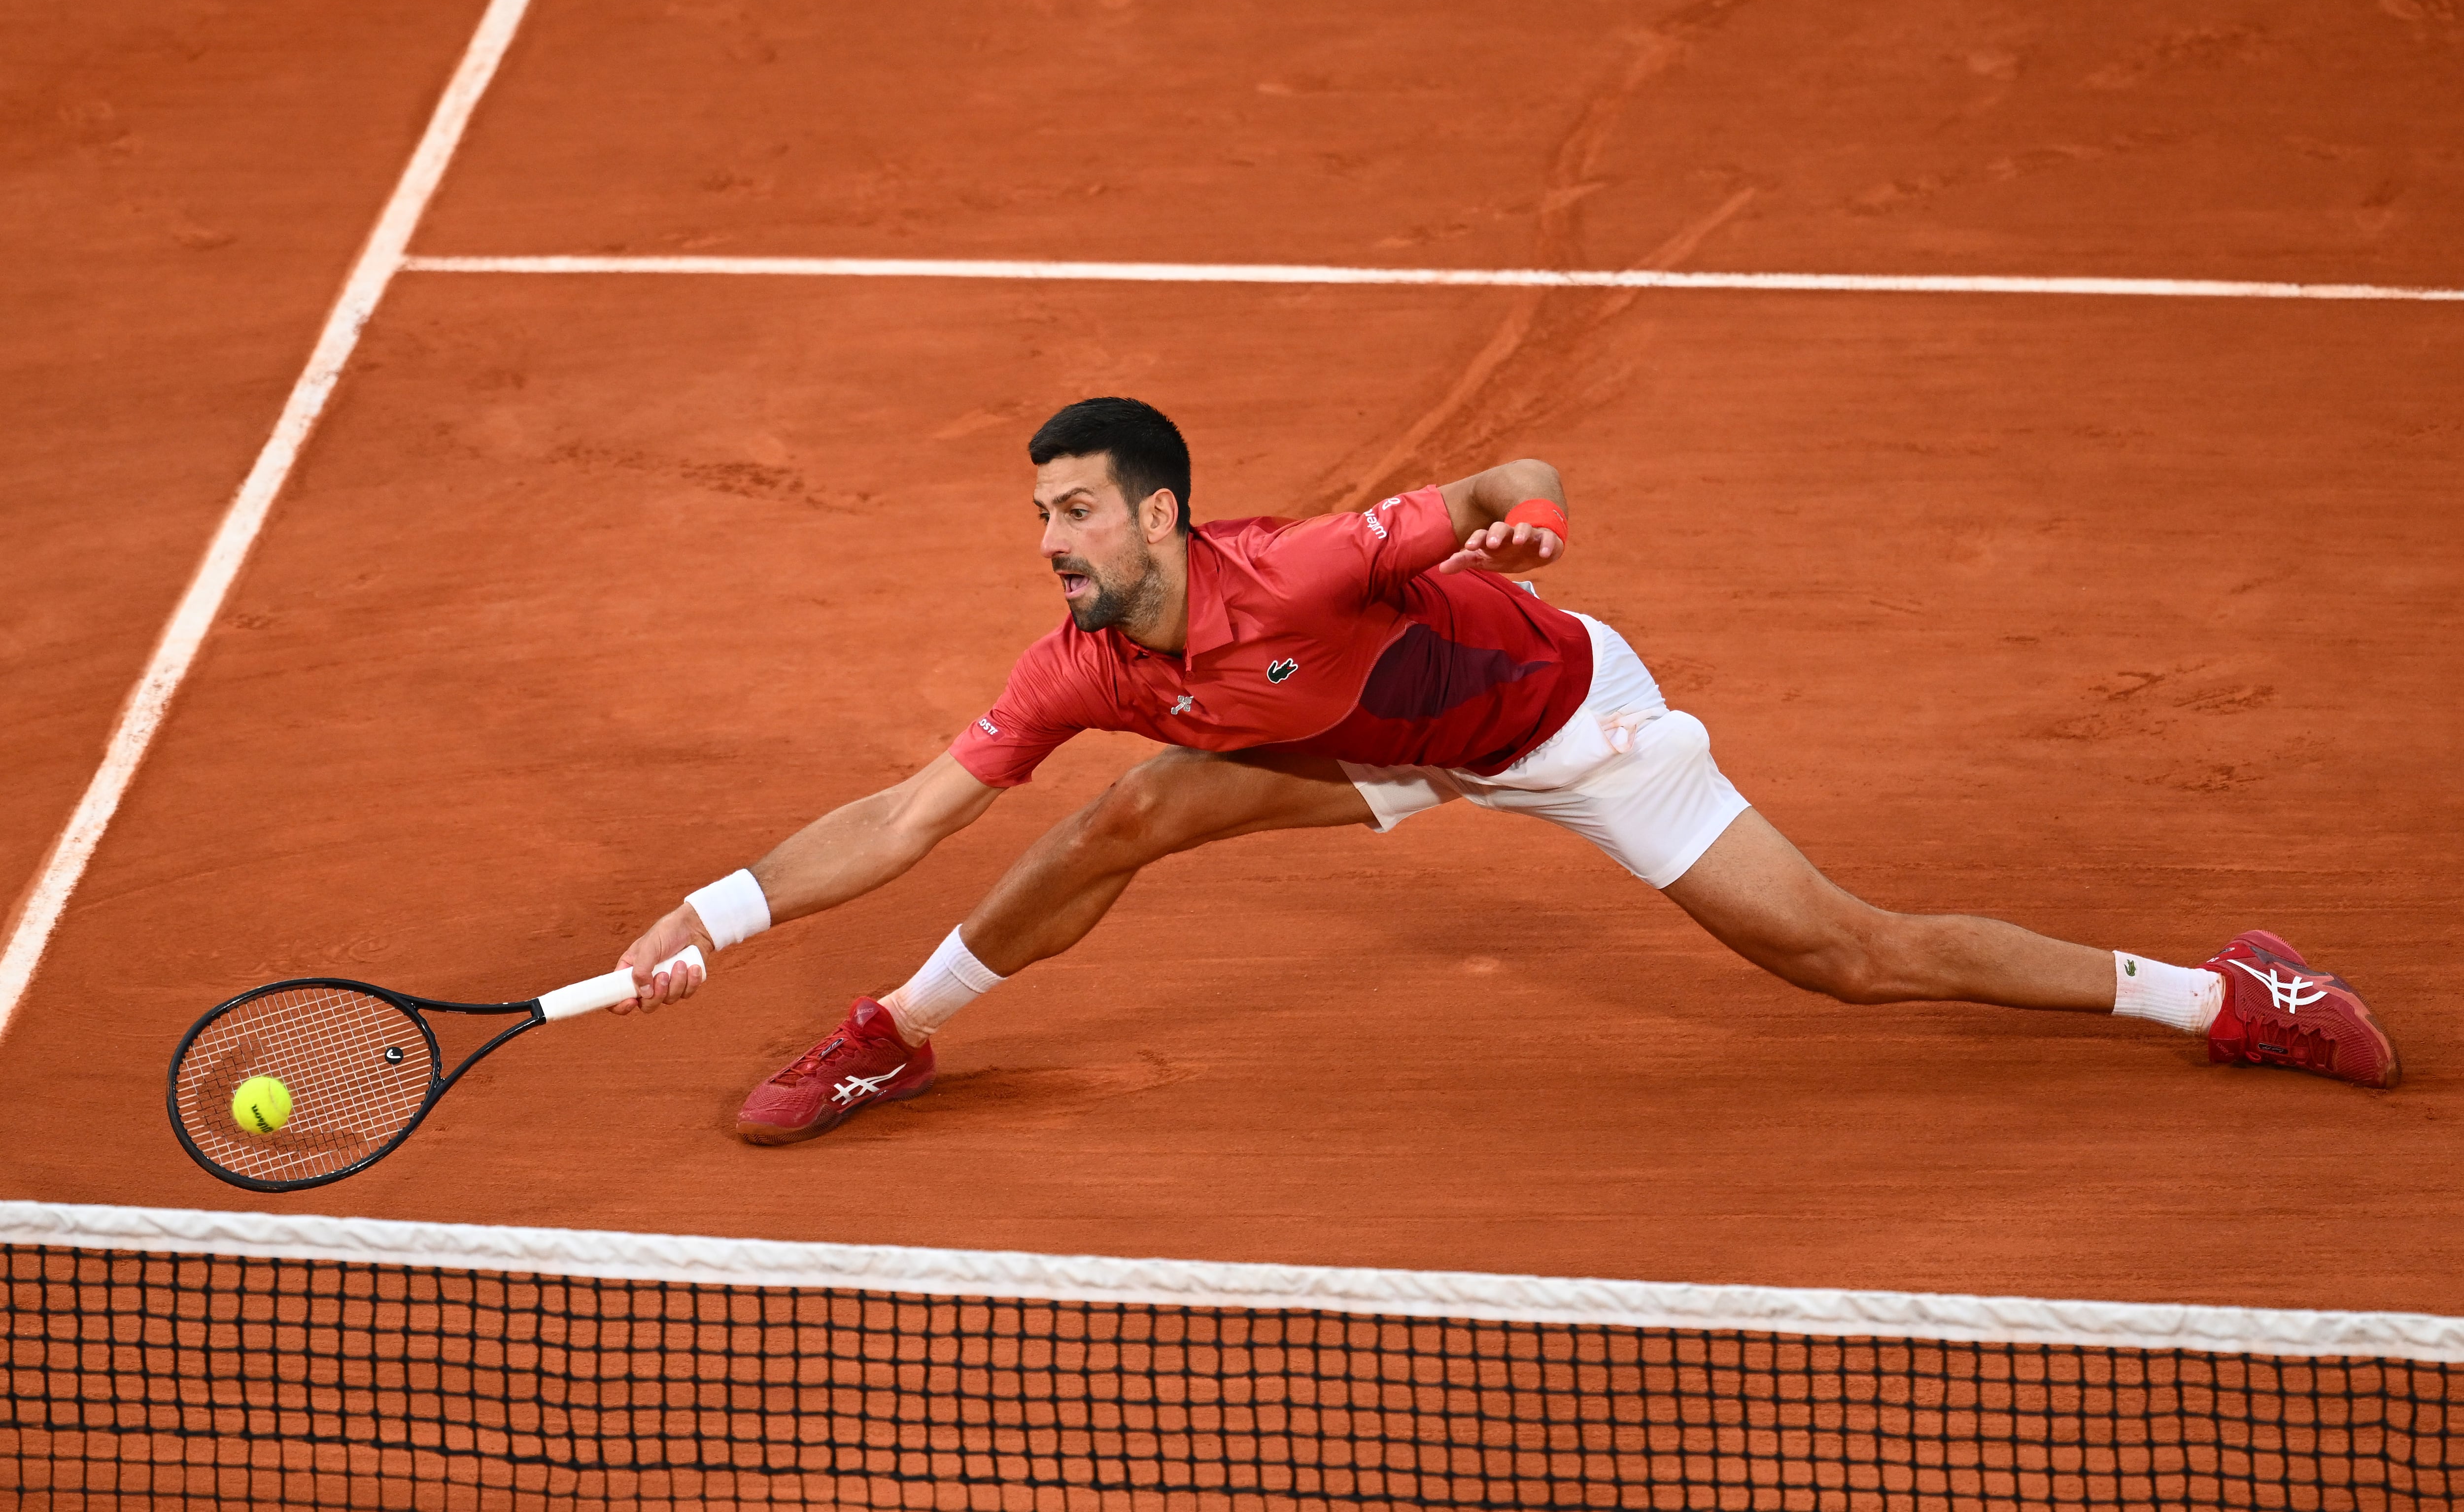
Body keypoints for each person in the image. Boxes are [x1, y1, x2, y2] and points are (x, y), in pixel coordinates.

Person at [615, 397, 2400, 1143]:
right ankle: (894, 1034)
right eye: (1039, 519)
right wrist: (709, 908)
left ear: (1158, 511)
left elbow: (1495, 482)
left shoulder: (1305, 564)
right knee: (1132, 808)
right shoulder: (1078, 662)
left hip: (1559, 728)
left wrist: (1528, 521)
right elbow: (905, 814)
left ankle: (2222, 995)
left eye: (1075, 513)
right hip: (1383, 751)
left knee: (1846, 957)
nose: (1051, 543)